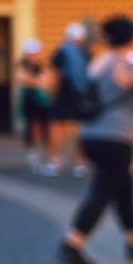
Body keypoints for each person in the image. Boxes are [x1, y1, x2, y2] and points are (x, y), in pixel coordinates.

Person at [58, 15, 133, 264]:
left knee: (123, 188)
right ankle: (73, 243)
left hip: (90, 134)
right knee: (102, 190)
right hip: (115, 137)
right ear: (132, 37)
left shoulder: (99, 62)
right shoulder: (129, 65)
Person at [50, 22, 90, 177]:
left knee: (56, 125)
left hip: (64, 93)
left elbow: (55, 73)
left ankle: (54, 161)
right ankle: (80, 162)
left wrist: (52, 92)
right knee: (81, 128)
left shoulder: (62, 51)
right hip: (81, 94)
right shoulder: (86, 52)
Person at [17, 38, 55, 175]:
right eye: (32, 53)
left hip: (43, 101)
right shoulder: (22, 66)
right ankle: (32, 153)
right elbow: (24, 79)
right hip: (30, 100)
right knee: (32, 126)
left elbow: (48, 79)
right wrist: (39, 82)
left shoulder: (42, 65)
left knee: (44, 127)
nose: (35, 55)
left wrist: (38, 81)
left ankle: (43, 154)